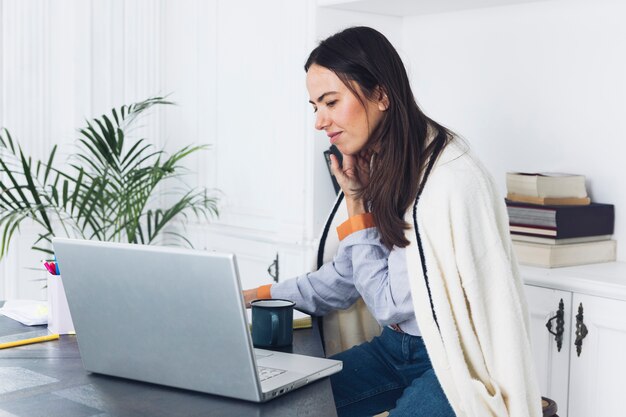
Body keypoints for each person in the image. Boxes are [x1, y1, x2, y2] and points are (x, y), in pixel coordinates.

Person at [243, 26, 542, 417]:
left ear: (381, 95)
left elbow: (389, 304)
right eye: (314, 106)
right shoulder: (380, 164)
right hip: (394, 349)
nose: (319, 121)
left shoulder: (445, 180)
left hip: (451, 356)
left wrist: (355, 208)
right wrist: (253, 296)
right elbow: (345, 278)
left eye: (330, 102)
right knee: (287, 405)